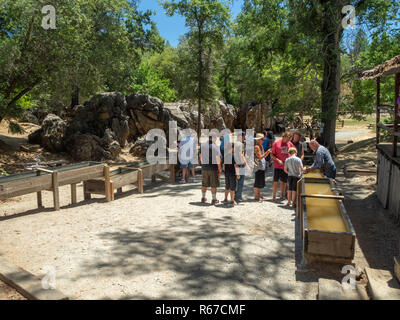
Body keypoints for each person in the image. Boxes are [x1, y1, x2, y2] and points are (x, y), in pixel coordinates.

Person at [270, 132, 295, 202]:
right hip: (277, 165)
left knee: (283, 181)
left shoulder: (290, 144)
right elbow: (272, 154)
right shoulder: (276, 143)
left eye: (290, 138)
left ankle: (282, 195)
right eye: (288, 138)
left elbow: (294, 152)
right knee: (275, 181)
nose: (289, 140)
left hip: (286, 166)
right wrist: (278, 160)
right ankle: (274, 196)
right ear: (284, 137)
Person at [200, 135, 222, 205]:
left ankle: (203, 198)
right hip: (213, 168)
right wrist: (219, 168)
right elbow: (218, 158)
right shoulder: (215, 146)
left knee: (204, 183)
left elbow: (200, 155)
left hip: (204, 167)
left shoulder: (202, 145)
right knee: (213, 184)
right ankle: (214, 199)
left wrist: (203, 163)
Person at [254, 133, 272, 201]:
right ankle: (256, 196)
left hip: (262, 166)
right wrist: (267, 152)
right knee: (257, 181)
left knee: (260, 181)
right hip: (258, 166)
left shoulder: (260, 146)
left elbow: (263, 156)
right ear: (258, 140)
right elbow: (260, 157)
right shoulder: (257, 147)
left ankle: (259, 195)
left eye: (263, 139)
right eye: (262, 139)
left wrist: (267, 152)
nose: (263, 140)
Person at [235, 131, 250, 203]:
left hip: (234, 164)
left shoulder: (233, 144)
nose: (244, 138)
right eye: (244, 137)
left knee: (235, 182)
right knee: (240, 182)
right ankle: (238, 197)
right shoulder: (241, 144)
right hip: (240, 165)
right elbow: (241, 155)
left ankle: (234, 196)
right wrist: (246, 164)